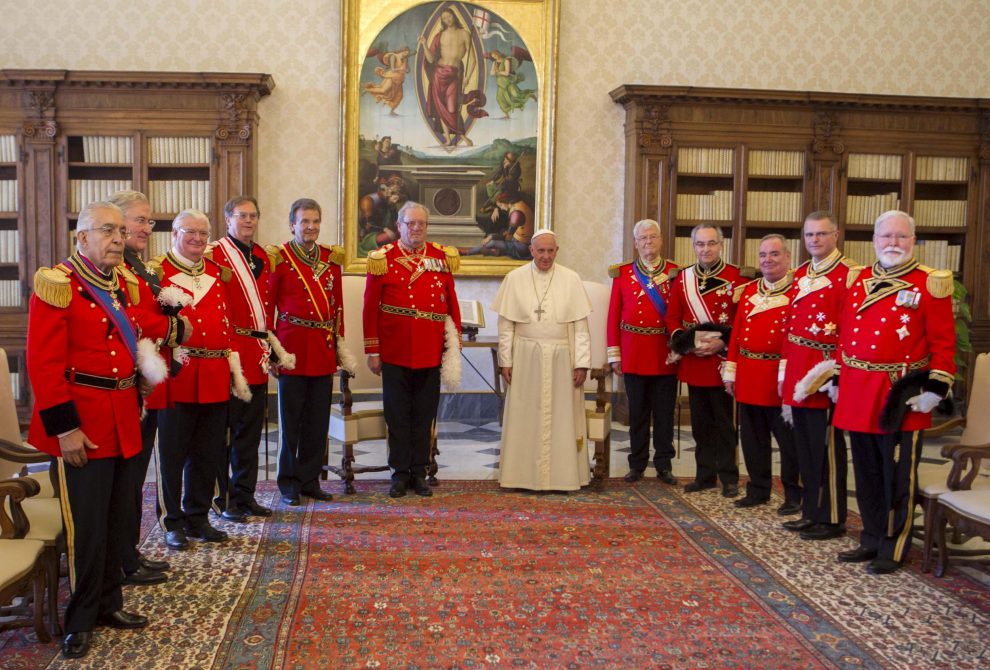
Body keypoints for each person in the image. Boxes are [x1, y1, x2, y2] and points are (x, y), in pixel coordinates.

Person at [27, 201, 152, 659]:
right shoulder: (58, 284)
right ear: (82, 237)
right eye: (108, 230)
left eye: (122, 230)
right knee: (88, 529)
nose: (119, 238)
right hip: (83, 424)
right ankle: (78, 619)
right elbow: (43, 366)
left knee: (119, 522)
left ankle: (108, 603)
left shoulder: (119, 284)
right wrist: (65, 430)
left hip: (121, 417)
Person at [833, 210, 955, 574]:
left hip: (900, 396)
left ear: (913, 240)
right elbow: (844, 335)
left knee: (897, 475)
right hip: (858, 391)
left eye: (901, 237)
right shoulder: (860, 279)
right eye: (886, 237)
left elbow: (944, 344)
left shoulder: (929, 283)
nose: (893, 244)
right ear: (874, 240)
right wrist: (838, 377)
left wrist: (935, 388)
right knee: (867, 472)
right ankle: (871, 538)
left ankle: (894, 544)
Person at [147, 210, 245, 550]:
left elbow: (227, 324)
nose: (199, 239)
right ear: (175, 232)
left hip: (215, 376)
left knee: (208, 453)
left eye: (204, 233)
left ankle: (198, 516)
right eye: (191, 232)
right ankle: (171, 520)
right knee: (172, 455)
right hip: (178, 377)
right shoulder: (157, 273)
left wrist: (233, 370)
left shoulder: (217, 274)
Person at [112, 190, 189, 587]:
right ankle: (123, 557)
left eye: (148, 222)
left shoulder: (140, 266)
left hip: (146, 381)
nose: (146, 228)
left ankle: (129, 552)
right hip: (126, 385)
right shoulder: (114, 268)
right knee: (127, 478)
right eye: (140, 221)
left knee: (136, 476)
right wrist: (172, 326)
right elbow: (132, 316)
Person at [364, 201, 462, 498]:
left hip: (430, 350)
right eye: (410, 223)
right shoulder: (383, 258)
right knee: (397, 416)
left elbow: (451, 304)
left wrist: (452, 347)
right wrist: (373, 349)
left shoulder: (441, 257)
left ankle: (419, 472)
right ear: (399, 226)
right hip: (395, 350)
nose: (416, 229)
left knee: (424, 416)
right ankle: (399, 473)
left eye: (421, 224)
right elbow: (370, 309)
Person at [493, 229, 593, 491]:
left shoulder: (571, 279)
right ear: (531, 250)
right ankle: (520, 476)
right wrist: (506, 360)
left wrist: (581, 363)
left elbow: (581, 328)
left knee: (562, 419)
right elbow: (506, 326)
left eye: (551, 251)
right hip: (525, 357)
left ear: (557, 251)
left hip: (562, 358)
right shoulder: (514, 279)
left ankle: (563, 477)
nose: (545, 256)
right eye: (541, 251)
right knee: (525, 417)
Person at [779, 212, 860, 538]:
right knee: (805, 449)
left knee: (826, 449)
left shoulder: (849, 275)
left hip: (825, 374)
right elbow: (790, 328)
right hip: (799, 369)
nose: (814, 240)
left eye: (821, 234)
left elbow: (852, 329)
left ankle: (832, 517)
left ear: (836, 235)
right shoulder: (800, 274)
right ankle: (811, 511)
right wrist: (785, 371)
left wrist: (838, 373)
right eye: (809, 235)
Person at [665, 224, 752, 497]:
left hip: (721, 362)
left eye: (711, 243)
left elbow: (742, 321)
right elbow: (672, 318)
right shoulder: (683, 278)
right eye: (700, 244)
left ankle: (728, 478)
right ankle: (704, 475)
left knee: (725, 423)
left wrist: (722, 342)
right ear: (693, 246)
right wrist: (688, 343)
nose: (706, 249)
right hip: (694, 361)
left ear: (721, 244)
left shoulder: (737, 278)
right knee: (701, 424)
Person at [207, 196, 280, 522]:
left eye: (253, 215)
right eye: (242, 215)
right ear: (228, 218)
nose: (248, 221)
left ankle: (245, 495)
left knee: (250, 434)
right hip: (231, 353)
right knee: (227, 434)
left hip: (258, 355)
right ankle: (224, 500)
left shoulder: (264, 255)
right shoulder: (215, 254)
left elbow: (267, 307)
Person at [269, 198, 343, 506]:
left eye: (315, 221)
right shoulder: (280, 259)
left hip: (323, 347)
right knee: (291, 422)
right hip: (292, 348)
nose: (310, 227)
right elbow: (268, 305)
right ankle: (288, 482)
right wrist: (272, 352)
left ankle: (310, 479)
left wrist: (339, 346)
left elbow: (337, 306)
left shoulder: (330, 258)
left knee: (317, 422)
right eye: (304, 222)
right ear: (292, 225)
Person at [723, 235, 796, 508]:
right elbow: (737, 333)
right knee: (752, 439)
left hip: (779, 378)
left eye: (775, 254)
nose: (768, 260)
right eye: (763, 254)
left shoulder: (797, 291)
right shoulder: (749, 291)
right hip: (750, 374)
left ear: (787, 258)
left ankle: (793, 494)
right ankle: (758, 489)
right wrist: (730, 372)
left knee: (788, 442)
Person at [606, 219, 679, 485]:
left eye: (652, 237)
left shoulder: (674, 272)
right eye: (642, 239)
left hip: (664, 354)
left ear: (661, 240)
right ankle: (636, 464)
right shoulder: (623, 273)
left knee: (664, 414)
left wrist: (680, 348)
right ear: (636, 243)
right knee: (636, 413)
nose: (648, 242)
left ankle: (664, 464)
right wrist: (615, 354)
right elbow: (613, 315)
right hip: (634, 353)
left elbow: (679, 314)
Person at [418, 8, 485, 146]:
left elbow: (472, 60)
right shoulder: (440, 35)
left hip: (453, 75)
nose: (447, 20)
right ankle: (448, 139)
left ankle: (463, 137)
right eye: (444, 18)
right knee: (441, 107)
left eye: (449, 16)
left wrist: (467, 78)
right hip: (438, 74)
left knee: (452, 108)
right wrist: (424, 44)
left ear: (454, 16)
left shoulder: (465, 34)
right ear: (442, 21)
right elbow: (430, 60)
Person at [461, 190, 533, 259]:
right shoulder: (519, 205)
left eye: (501, 205)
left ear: (506, 202)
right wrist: (493, 236)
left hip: (521, 247)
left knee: (492, 243)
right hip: (520, 243)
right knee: (492, 240)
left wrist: (493, 237)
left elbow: (508, 237)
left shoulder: (515, 213)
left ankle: (468, 252)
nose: (501, 208)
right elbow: (508, 233)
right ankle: (494, 251)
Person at [489, 49, 537, 118]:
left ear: (498, 53)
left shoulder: (506, 61)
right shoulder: (494, 63)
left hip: (508, 82)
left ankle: (530, 95)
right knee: (499, 98)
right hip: (500, 84)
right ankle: (506, 115)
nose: (495, 57)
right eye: (493, 57)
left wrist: (498, 71)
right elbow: (491, 73)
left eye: (495, 55)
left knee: (516, 95)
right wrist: (496, 72)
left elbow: (506, 73)